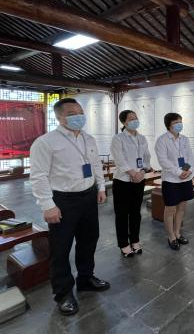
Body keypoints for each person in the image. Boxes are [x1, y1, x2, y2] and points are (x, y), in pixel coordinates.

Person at [30, 98, 110, 316]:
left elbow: (95, 165)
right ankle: (63, 292)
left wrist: (101, 187)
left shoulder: (88, 138)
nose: (79, 116)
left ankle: (85, 278)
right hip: (63, 200)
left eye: (80, 112)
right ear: (59, 117)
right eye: (72, 113)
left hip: (88, 196)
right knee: (61, 248)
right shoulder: (45, 142)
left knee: (88, 240)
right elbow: (38, 176)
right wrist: (48, 205)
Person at [110, 110, 151, 258]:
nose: (135, 120)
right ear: (124, 122)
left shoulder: (142, 138)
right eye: (131, 118)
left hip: (139, 179)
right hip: (123, 181)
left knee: (135, 212)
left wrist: (143, 171)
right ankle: (123, 244)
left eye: (136, 118)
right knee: (122, 214)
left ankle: (135, 240)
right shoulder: (118, 139)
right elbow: (119, 159)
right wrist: (133, 173)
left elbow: (146, 156)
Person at [154, 113, 194, 250]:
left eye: (180, 121)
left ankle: (178, 232)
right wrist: (178, 172)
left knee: (181, 208)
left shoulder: (184, 139)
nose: (179, 124)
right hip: (171, 180)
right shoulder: (162, 140)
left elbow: (190, 156)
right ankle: (171, 236)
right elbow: (163, 161)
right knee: (170, 209)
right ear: (169, 125)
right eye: (176, 122)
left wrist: (187, 170)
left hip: (185, 179)